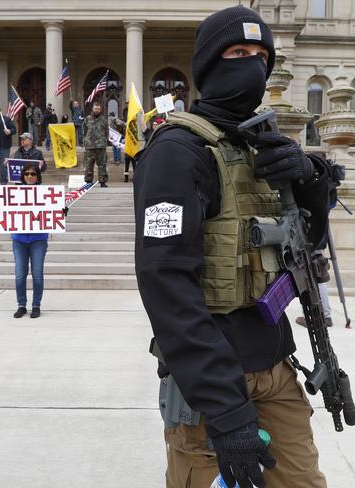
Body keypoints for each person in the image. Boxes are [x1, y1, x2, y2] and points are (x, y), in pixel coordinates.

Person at [134, 6, 330, 488]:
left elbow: (305, 249)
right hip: (210, 382)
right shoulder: (177, 152)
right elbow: (165, 285)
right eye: (238, 53)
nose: (252, 66)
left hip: (276, 366)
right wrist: (226, 409)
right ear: (208, 65)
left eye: (262, 56)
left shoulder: (257, 145)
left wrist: (308, 186)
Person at [10, 162, 48, 319]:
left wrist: (61, 210)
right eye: (27, 174)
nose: (30, 177)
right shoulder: (14, 192)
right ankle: (21, 305)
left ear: (38, 176)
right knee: (20, 274)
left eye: (33, 174)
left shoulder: (45, 192)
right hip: (19, 238)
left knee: (37, 274)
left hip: (38, 238)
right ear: (22, 176)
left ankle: (36, 305)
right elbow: (6, 210)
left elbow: (52, 212)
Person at [82, 101, 109, 187]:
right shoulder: (87, 119)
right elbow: (84, 131)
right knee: (89, 164)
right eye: (95, 108)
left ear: (100, 109)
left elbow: (106, 132)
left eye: (98, 109)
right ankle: (88, 181)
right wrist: (87, 140)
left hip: (101, 146)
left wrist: (103, 141)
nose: (97, 110)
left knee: (102, 164)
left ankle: (102, 181)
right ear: (92, 109)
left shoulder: (104, 120)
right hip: (90, 146)